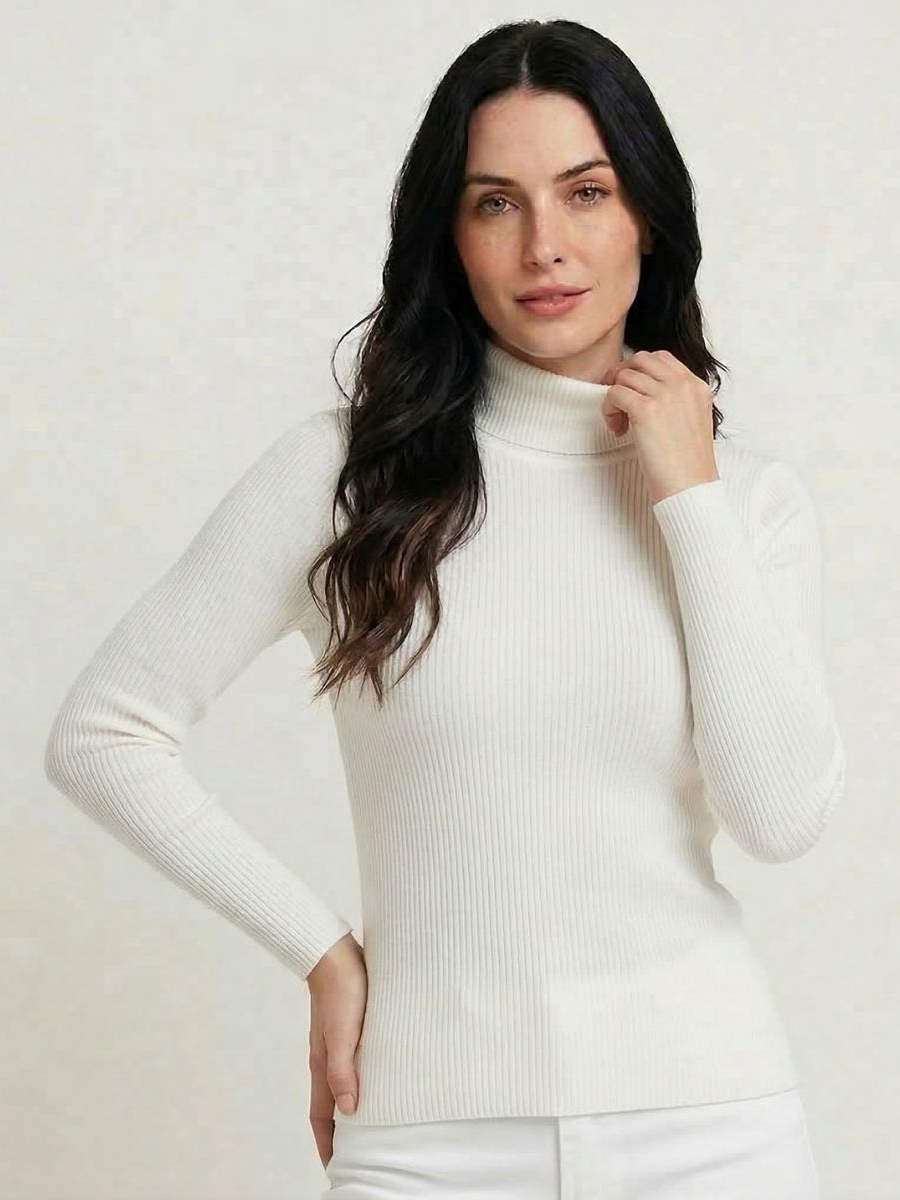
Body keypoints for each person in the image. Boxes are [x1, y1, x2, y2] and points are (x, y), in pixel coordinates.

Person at [44, 17, 843, 1199]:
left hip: (713, 1129)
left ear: (647, 218)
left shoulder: (749, 503)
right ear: (450, 238)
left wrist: (689, 494)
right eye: (494, 203)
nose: (544, 245)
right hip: (426, 1140)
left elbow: (779, 815)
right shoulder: (349, 479)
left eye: (586, 193)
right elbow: (102, 733)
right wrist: (322, 952)